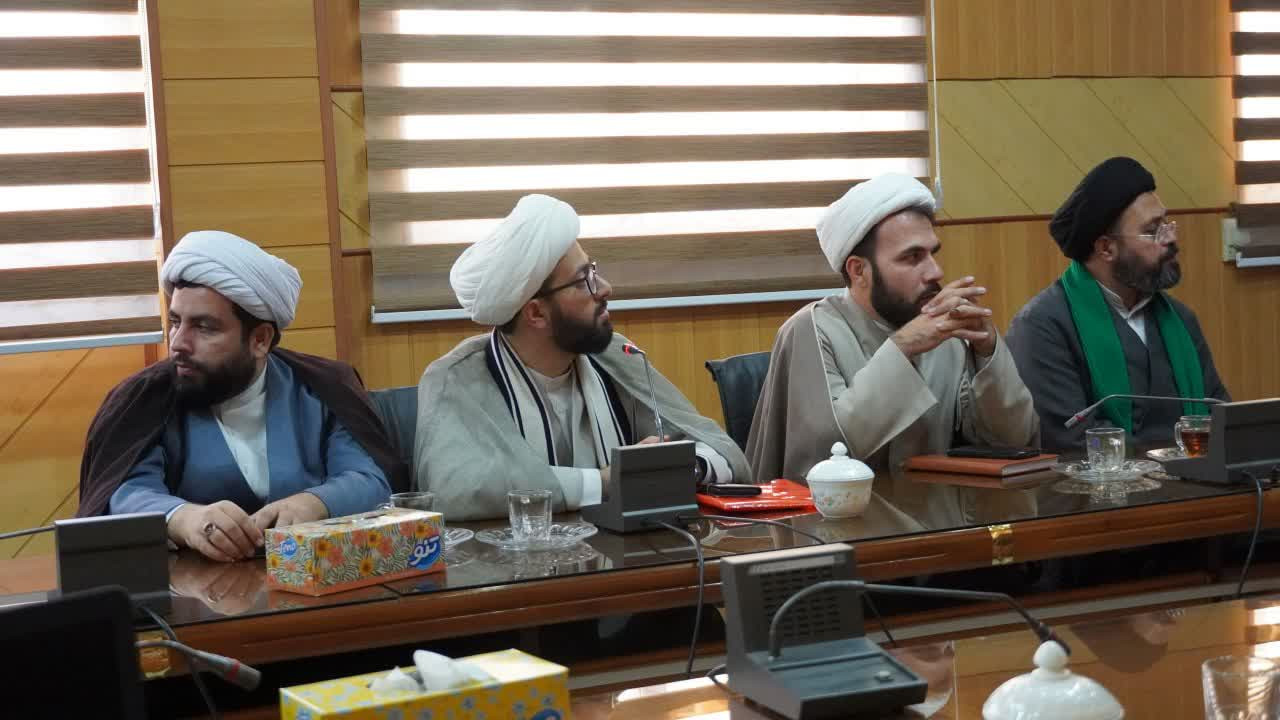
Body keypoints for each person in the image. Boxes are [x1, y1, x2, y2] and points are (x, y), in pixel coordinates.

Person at [79, 231, 408, 562]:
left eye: (203, 327)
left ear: (260, 340)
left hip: (313, 574)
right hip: (194, 585)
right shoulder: (147, 398)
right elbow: (127, 491)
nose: (178, 343)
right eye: (176, 322)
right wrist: (183, 518)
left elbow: (368, 479)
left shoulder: (321, 388)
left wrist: (314, 503)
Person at [414, 194, 748, 521]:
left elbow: (725, 452)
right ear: (536, 313)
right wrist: (605, 482)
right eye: (583, 280)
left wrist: (688, 468)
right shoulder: (456, 380)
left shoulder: (616, 358)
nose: (604, 288)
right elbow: (455, 491)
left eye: (594, 271)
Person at [747, 173, 1038, 483]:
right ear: (859, 270)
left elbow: (1014, 442)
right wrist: (902, 347)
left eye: (933, 253)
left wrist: (987, 352)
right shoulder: (811, 330)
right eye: (912, 257)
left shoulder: (946, 333)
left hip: (938, 510)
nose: (935, 272)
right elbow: (824, 457)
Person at [1007, 157, 1229, 453]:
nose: (1171, 237)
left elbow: (1220, 414)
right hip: (1102, 482)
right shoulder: (1043, 325)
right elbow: (1069, 438)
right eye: (1153, 230)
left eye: (1167, 223)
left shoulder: (1180, 319)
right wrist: (1164, 463)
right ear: (1106, 248)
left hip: (1195, 475)